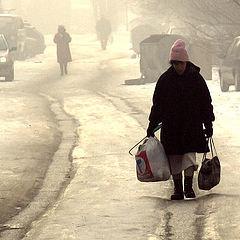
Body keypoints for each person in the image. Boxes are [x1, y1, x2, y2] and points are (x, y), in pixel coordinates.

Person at [146, 39, 215, 200]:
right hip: (172, 126)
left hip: (191, 126)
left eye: (180, 63)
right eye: (175, 63)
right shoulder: (165, 80)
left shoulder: (196, 79)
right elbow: (158, 105)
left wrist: (208, 123)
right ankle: (178, 189)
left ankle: (188, 188)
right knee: (174, 158)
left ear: (186, 61)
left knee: (189, 157)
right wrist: (152, 124)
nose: (178, 67)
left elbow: (205, 103)